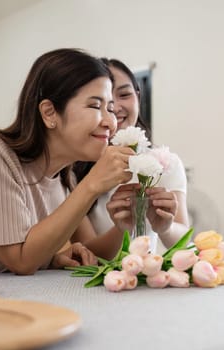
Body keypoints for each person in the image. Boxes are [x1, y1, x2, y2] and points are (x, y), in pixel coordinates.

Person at [0, 48, 135, 275]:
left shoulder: (64, 176)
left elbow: (92, 254)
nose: (110, 122)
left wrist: (125, 225)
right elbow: (20, 261)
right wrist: (92, 184)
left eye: (110, 108)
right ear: (49, 113)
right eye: (95, 106)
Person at [75, 58, 189, 252]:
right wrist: (122, 229)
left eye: (124, 94)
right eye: (101, 100)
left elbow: (184, 241)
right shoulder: (73, 169)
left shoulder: (163, 161)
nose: (115, 107)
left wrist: (165, 228)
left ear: (138, 97)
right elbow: (86, 253)